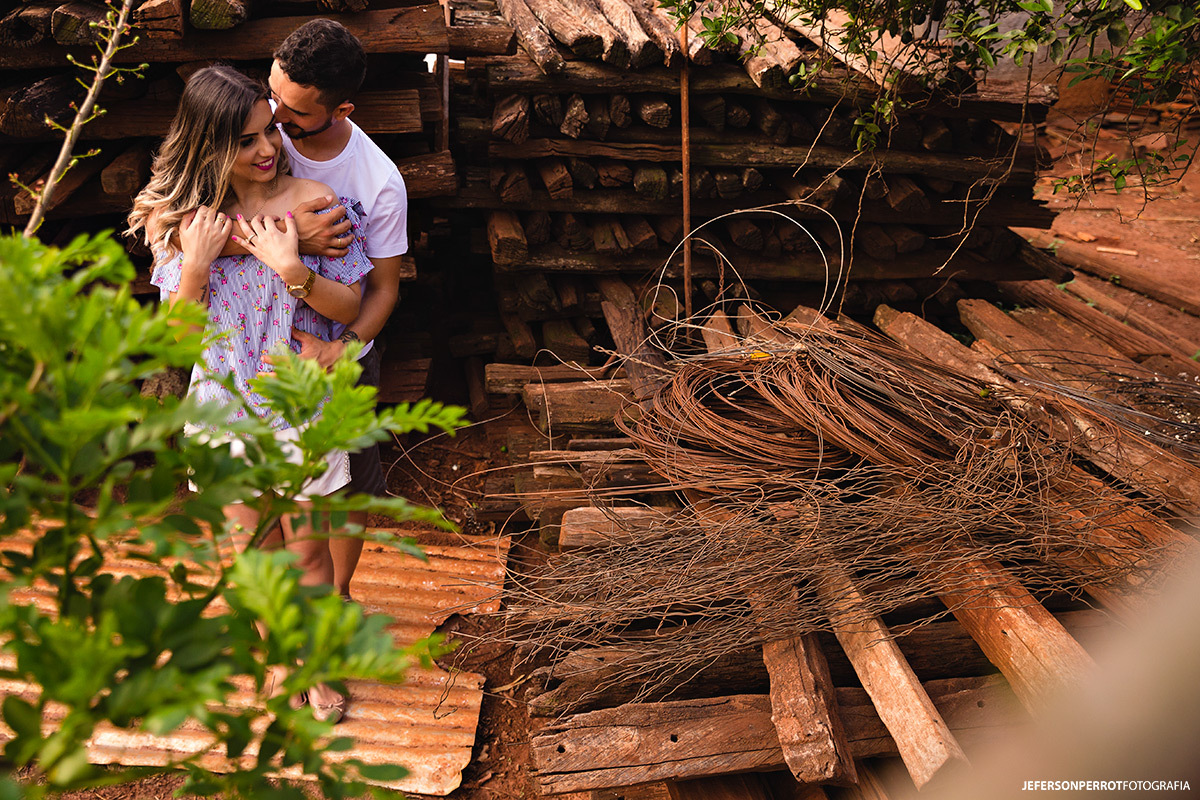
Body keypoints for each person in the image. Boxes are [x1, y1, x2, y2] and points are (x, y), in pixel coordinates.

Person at [127, 64, 373, 723]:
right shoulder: (181, 226)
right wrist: (201, 266)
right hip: (223, 411)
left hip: (298, 406)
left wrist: (292, 269)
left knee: (309, 556)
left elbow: (351, 306)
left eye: (268, 132)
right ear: (207, 145)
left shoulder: (315, 201)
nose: (267, 149)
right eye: (244, 140)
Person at [267, 19, 410, 602]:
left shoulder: (379, 182)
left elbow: (384, 290)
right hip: (259, 341)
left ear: (342, 108)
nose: (275, 117)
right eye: (271, 92)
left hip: (338, 351)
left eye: (294, 111)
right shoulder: (253, 134)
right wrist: (296, 241)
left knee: (346, 486)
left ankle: (341, 594)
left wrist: (341, 350)